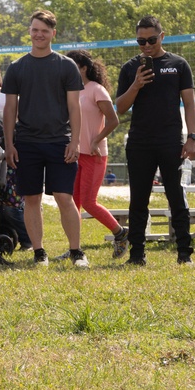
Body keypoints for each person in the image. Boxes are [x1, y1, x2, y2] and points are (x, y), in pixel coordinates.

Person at [1, 10, 86, 268]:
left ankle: (76, 252)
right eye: (35, 29)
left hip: (61, 142)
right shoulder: (17, 67)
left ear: (53, 34)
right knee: (32, 198)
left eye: (45, 31)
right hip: (26, 142)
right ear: (30, 30)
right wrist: (9, 145)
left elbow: (75, 107)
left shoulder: (66, 65)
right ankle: (39, 253)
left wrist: (75, 141)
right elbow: (9, 110)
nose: (39, 34)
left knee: (64, 197)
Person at [115, 15, 195, 266]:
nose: (147, 46)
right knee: (138, 199)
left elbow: (190, 104)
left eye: (151, 40)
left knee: (176, 196)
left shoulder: (179, 64)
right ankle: (136, 255)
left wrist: (192, 138)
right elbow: (119, 107)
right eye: (141, 41)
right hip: (139, 142)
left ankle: (185, 254)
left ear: (162, 36)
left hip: (171, 141)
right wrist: (136, 85)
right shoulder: (130, 68)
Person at [64, 49, 128, 259]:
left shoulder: (96, 90)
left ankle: (120, 234)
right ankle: (75, 249)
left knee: (89, 202)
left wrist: (96, 140)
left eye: (72, 65)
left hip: (94, 154)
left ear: (83, 68)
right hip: (75, 154)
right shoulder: (70, 90)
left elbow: (114, 120)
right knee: (73, 202)